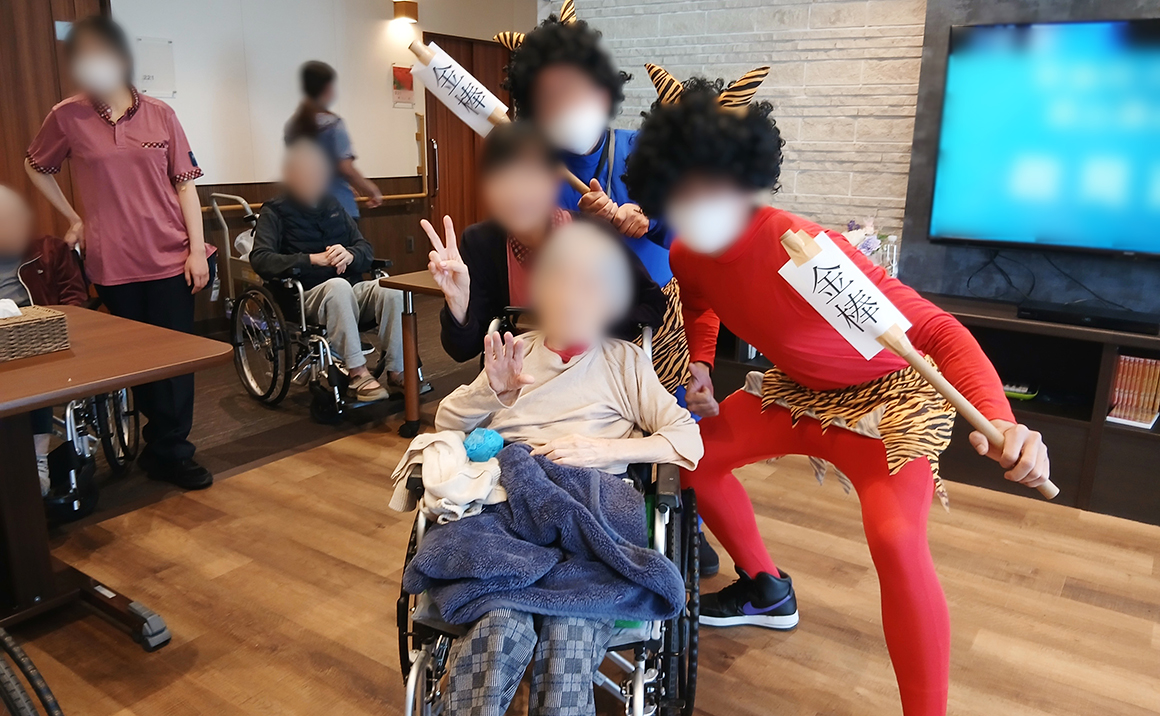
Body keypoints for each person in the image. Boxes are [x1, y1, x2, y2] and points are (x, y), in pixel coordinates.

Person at [624, 75, 1052, 716]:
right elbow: (702, 304)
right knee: (693, 458)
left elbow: (936, 331)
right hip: (799, 393)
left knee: (895, 540)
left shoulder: (802, 248)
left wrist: (1001, 419)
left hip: (888, 401)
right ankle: (766, 589)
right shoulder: (687, 251)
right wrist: (703, 365)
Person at [430, 219, 702, 715]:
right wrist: (493, 393)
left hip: (591, 508)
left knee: (571, 626)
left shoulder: (625, 363)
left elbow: (688, 437)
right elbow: (445, 424)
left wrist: (605, 452)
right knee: (500, 623)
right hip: (509, 507)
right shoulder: (514, 354)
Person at [25, 16, 214, 490]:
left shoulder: (160, 113)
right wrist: (74, 218)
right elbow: (36, 165)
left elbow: (185, 186)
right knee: (141, 364)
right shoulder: (67, 116)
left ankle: (174, 450)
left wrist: (196, 250)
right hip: (112, 264)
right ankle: (160, 446)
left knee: (176, 361)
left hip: (170, 257)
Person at [495, 0, 691, 398]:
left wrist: (649, 218)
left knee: (669, 423)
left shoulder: (644, 150)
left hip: (658, 329)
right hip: (576, 341)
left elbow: (690, 238)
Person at [423, 121, 665, 365]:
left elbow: (651, 304)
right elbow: (462, 350)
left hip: (591, 373)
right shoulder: (481, 242)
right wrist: (458, 305)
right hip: (515, 378)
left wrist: (588, 322)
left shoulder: (594, 233)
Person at [250, 139, 404, 402]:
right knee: (338, 287)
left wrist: (350, 254)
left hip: (349, 289)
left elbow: (364, 249)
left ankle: (397, 371)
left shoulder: (333, 206)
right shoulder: (275, 210)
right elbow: (260, 259)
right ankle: (358, 373)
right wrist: (311, 259)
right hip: (304, 297)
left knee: (392, 289)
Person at [0, 187, 88, 494]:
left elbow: (75, 298)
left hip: (39, 340)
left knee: (31, 374)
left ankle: (38, 459)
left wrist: (49, 323)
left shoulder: (49, 249)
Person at [285, 61, 382, 221]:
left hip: (303, 212)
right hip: (337, 210)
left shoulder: (294, 126)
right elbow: (345, 168)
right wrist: (372, 189)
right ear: (328, 88)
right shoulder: (333, 124)